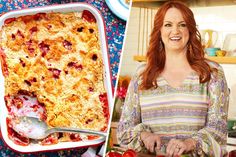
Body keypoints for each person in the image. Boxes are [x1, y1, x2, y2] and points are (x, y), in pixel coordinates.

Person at [117, 1, 229, 157]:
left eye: (182, 25)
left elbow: (219, 130)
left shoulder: (213, 73)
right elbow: (124, 130)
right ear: (159, 30)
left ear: (190, 30)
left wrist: (190, 143)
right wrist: (144, 135)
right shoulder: (142, 74)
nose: (175, 31)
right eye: (168, 25)